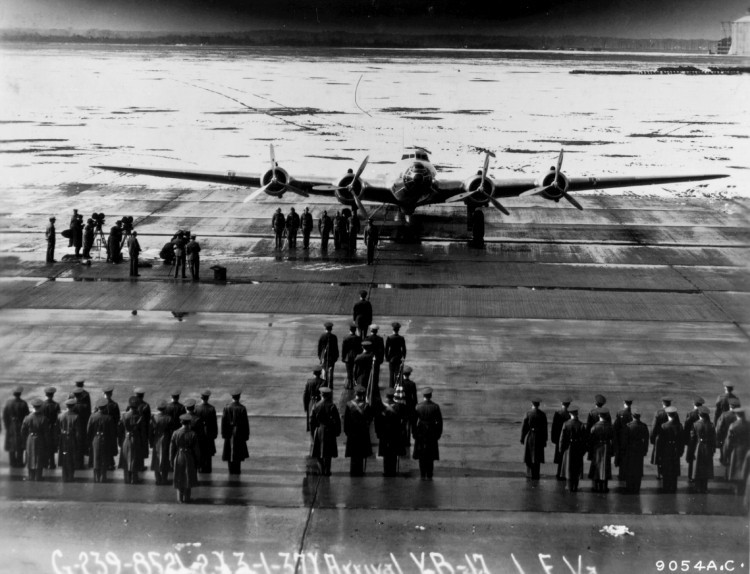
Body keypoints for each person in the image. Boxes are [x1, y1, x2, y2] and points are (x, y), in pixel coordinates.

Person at [413, 387, 443, 480]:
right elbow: (440, 422)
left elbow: (414, 422)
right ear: (431, 395)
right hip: (432, 431)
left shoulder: (418, 406)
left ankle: (422, 473)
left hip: (421, 431)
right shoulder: (435, 406)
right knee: (430, 454)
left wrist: (414, 433)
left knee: (421, 454)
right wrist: (438, 434)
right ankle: (429, 473)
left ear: (423, 396)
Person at [310, 386, 341, 476]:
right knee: (328, 453)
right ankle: (327, 470)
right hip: (329, 431)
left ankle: (322, 468)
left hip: (319, 430)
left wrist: (313, 431)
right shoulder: (332, 406)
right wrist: (337, 431)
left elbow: (312, 421)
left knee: (317, 452)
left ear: (321, 394)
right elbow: (337, 420)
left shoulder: (316, 405)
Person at [344, 386, 373, 476]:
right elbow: (370, 419)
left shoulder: (349, 404)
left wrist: (347, 431)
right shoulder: (366, 406)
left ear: (355, 394)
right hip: (362, 433)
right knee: (360, 453)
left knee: (353, 453)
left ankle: (353, 470)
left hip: (352, 433)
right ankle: (360, 471)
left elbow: (346, 420)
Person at [171, 413, 200, 503]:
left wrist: (171, 460)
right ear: (189, 422)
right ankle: (187, 498)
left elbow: (171, 449)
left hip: (179, 456)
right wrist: (197, 461)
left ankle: (180, 499)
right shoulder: (193, 434)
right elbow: (196, 450)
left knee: (179, 477)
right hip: (189, 456)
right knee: (188, 477)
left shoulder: (175, 433)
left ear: (181, 422)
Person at [376, 388, 405, 476]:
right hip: (395, 433)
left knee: (385, 453)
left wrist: (378, 432)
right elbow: (402, 421)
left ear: (386, 396)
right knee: (393, 452)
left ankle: (386, 470)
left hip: (384, 433)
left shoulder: (381, 406)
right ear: (393, 396)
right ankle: (393, 470)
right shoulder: (398, 406)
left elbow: (377, 421)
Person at [88, 398, 118, 483]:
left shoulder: (92, 417)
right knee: (104, 460)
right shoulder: (109, 418)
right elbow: (112, 434)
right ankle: (103, 478)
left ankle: (96, 478)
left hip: (95, 440)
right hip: (106, 440)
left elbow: (88, 431)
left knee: (96, 459)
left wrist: (90, 442)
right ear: (105, 407)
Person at [654, 406, 684, 493]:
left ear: (668, 415)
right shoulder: (680, 426)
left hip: (666, 450)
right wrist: (680, 451)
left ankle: (666, 487)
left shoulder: (664, 426)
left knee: (666, 470)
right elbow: (681, 441)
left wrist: (659, 454)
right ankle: (673, 487)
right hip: (675, 450)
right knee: (674, 470)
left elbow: (660, 442)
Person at [687, 405, 715, 494]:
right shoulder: (711, 425)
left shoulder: (695, 424)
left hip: (698, 447)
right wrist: (713, 450)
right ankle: (705, 487)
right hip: (708, 447)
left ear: (699, 415)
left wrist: (690, 451)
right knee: (706, 467)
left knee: (698, 467)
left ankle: (698, 486)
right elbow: (714, 439)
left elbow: (692, 439)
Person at [559, 404, 587, 492]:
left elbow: (562, 439)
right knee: (576, 467)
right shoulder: (581, 425)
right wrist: (583, 451)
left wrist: (561, 449)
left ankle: (569, 486)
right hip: (578, 447)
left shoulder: (566, 424)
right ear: (577, 413)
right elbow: (585, 440)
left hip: (569, 448)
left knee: (569, 467)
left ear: (570, 413)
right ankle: (575, 485)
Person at [21, 398, 50, 481]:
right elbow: (46, 433)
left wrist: (25, 440)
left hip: (30, 439)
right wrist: (47, 443)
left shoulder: (27, 418)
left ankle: (30, 476)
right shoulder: (44, 419)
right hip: (40, 439)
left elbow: (23, 431)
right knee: (39, 457)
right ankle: (38, 476)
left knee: (30, 456)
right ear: (40, 407)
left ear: (33, 406)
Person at [621, 407, 649, 494]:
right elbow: (646, 440)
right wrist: (645, 450)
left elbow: (624, 440)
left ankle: (629, 486)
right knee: (638, 469)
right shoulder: (643, 426)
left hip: (630, 450)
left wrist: (624, 450)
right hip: (639, 450)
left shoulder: (628, 426)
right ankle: (637, 487)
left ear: (632, 416)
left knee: (630, 469)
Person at [222, 389, 250, 476]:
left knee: (229, 452)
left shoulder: (226, 408)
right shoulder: (242, 408)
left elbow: (224, 422)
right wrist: (246, 435)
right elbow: (245, 423)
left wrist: (224, 434)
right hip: (239, 433)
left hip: (229, 433)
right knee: (238, 453)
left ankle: (231, 470)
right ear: (239, 397)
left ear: (232, 397)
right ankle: (237, 470)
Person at [118, 396, 145, 484]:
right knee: (135, 459)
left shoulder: (124, 415)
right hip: (136, 439)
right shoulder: (140, 417)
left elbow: (120, 430)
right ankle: (134, 478)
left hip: (126, 439)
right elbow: (143, 432)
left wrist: (119, 441)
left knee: (126, 459)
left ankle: (127, 478)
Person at [588, 407, 614, 493]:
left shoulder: (594, 427)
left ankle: (596, 486)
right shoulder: (610, 427)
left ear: (599, 415)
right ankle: (604, 486)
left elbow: (590, 440)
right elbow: (613, 439)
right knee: (605, 467)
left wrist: (590, 451)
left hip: (597, 447)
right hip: (606, 447)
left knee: (596, 466)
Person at [521, 399, 548, 481]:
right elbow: (545, 429)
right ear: (538, 404)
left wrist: (522, 438)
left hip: (531, 436)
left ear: (532, 404)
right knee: (537, 456)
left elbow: (524, 427)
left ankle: (529, 473)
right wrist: (545, 440)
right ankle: (536, 473)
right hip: (539, 437)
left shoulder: (528, 413)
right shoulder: (542, 414)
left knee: (529, 455)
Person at [725, 407, 750, 493]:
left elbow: (729, 440)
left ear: (737, 415)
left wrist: (727, 451)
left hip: (736, 449)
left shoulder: (733, 426)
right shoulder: (748, 424)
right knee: (745, 467)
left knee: (736, 468)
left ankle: (737, 488)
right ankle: (743, 487)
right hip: (746, 448)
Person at [57, 398, 83, 482]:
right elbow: (78, 433)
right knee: (71, 458)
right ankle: (71, 476)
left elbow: (57, 429)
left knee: (64, 458)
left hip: (63, 439)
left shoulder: (60, 416)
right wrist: (79, 443)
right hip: (72, 439)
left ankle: (64, 476)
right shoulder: (76, 417)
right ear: (73, 406)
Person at [4, 386, 29, 467]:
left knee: (11, 444)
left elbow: (5, 416)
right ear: (20, 394)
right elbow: (27, 416)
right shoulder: (23, 403)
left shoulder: (8, 403)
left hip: (11, 426)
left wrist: (8, 426)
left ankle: (12, 462)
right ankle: (19, 462)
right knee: (20, 445)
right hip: (21, 425)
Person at [149, 400, 173, 485]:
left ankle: (158, 478)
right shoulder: (169, 418)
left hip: (157, 439)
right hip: (166, 439)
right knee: (165, 459)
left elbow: (150, 432)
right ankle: (164, 478)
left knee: (156, 458)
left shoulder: (154, 418)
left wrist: (151, 442)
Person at [394, 365, 418, 448]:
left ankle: (402, 439)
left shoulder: (400, 384)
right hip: (410, 406)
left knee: (402, 423)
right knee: (409, 424)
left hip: (401, 405)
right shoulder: (412, 384)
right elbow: (414, 398)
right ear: (409, 374)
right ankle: (407, 441)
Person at [195, 390, 218, 473]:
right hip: (209, 434)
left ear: (201, 398)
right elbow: (214, 423)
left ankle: (200, 468)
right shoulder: (211, 409)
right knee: (208, 453)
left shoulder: (197, 408)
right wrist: (215, 434)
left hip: (199, 434)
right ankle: (208, 468)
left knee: (200, 452)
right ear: (208, 398)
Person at [683, 396, 705, 481]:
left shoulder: (690, 414)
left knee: (691, 458)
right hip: (700, 439)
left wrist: (685, 440)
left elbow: (686, 427)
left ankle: (690, 476)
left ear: (694, 404)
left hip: (692, 439)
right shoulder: (704, 413)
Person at [650, 396, 672, 480]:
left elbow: (654, 427)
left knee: (659, 456)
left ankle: (659, 474)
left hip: (660, 437)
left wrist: (652, 438)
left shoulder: (658, 413)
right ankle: (666, 472)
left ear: (663, 403)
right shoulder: (674, 412)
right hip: (669, 438)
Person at [70, 386, 91, 469]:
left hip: (73, 429)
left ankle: (74, 462)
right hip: (82, 428)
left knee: (74, 445)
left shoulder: (72, 407)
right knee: (81, 445)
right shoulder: (84, 406)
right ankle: (80, 463)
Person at [613, 398, 634, 481]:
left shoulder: (620, 413)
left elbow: (616, 427)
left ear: (624, 403)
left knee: (622, 456)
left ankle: (621, 473)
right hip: (630, 439)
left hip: (621, 438)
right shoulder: (632, 413)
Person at [717, 397, 741, 468]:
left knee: (725, 456)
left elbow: (719, 428)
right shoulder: (740, 416)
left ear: (730, 406)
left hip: (725, 439)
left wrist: (718, 439)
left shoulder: (724, 415)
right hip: (737, 440)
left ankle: (725, 471)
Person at [551, 397, 571, 480]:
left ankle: (559, 473)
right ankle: (563, 473)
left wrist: (554, 438)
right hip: (567, 438)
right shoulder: (569, 414)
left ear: (562, 404)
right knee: (565, 456)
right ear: (568, 405)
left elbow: (554, 427)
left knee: (559, 456)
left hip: (559, 437)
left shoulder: (558, 413)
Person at [41, 386, 60, 469]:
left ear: (46, 394)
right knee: (51, 446)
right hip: (52, 428)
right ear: (53, 395)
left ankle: (45, 463)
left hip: (44, 427)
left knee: (44, 445)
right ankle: (52, 463)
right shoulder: (56, 405)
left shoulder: (42, 405)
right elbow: (57, 418)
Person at [304, 366, 325, 439]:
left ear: (313, 373)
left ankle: (312, 437)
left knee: (311, 420)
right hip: (320, 401)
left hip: (311, 402)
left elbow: (305, 395)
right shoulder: (323, 382)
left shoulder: (309, 382)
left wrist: (306, 406)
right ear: (320, 373)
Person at [133, 388, 151, 471]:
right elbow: (148, 420)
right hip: (143, 430)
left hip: (134, 429)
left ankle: (135, 463)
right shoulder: (146, 406)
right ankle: (141, 465)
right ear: (143, 396)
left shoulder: (131, 405)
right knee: (142, 447)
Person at [318, 322, 340, 388]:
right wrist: (336, 357)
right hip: (332, 357)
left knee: (324, 371)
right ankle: (330, 386)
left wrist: (320, 357)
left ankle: (324, 385)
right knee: (331, 371)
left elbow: (319, 348)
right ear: (331, 329)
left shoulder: (322, 336)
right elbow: (336, 348)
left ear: (325, 328)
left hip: (324, 356)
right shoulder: (334, 337)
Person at [385, 322, 406, 389]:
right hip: (399, 357)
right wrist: (403, 357)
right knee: (398, 373)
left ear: (393, 330)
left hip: (391, 357)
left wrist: (387, 357)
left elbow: (386, 349)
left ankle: (391, 387)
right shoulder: (401, 338)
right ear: (398, 330)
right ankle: (398, 387)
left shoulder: (389, 338)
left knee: (391, 374)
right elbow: (404, 349)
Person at [341, 323, 361, 390]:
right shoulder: (358, 338)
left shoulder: (346, 338)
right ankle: (355, 383)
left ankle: (349, 384)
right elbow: (360, 349)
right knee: (355, 371)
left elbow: (344, 349)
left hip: (348, 357)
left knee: (349, 372)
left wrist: (343, 357)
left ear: (350, 330)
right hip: (356, 356)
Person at [366, 324, 385, 391]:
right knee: (376, 373)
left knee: (368, 372)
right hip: (377, 358)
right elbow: (382, 350)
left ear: (371, 330)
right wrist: (381, 359)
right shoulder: (380, 339)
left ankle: (369, 385)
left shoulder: (367, 338)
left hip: (368, 358)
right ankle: (375, 386)